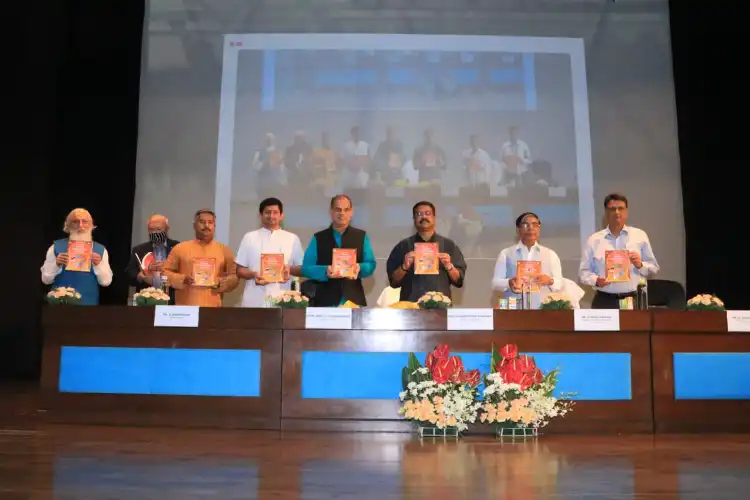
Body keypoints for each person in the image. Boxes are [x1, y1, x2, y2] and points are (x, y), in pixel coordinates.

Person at [579, 193, 660, 309]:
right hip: (604, 300)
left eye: (621, 208)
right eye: (612, 209)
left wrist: (640, 264)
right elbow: (583, 273)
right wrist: (596, 280)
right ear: (606, 213)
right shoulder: (593, 240)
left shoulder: (640, 236)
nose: (617, 212)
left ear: (626, 212)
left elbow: (654, 268)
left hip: (633, 300)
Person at [301, 194, 376, 306]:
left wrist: (359, 267)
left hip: (353, 301)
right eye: (338, 209)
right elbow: (306, 268)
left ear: (351, 213)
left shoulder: (361, 236)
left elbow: (371, 264)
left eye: (346, 210)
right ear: (331, 212)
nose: (342, 213)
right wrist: (326, 270)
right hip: (325, 301)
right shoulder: (318, 238)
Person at [386, 201, 467, 302]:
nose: (424, 217)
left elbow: (459, 281)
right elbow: (393, 282)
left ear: (434, 217)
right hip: (410, 306)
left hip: (440, 306)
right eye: (419, 214)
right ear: (414, 219)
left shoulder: (448, 245)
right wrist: (404, 267)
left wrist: (449, 267)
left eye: (428, 213)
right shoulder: (403, 246)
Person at [235, 198, 304, 307]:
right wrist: (254, 274)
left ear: (281, 215)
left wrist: (289, 269)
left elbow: (301, 269)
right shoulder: (249, 237)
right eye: (267, 212)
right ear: (260, 215)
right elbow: (239, 269)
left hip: (283, 298)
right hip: (254, 298)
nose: (271, 216)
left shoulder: (292, 238)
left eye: (275, 212)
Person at [162, 209, 239, 307]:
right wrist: (182, 279)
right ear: (194, 225)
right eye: (202, 222)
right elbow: (164, 273)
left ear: (214, 226)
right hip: (185, 309)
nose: (206, 226)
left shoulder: (224, 250)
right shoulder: (180, 248)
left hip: (213, 308)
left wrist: (221, 282)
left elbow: (234, 277)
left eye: (210, 222)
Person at [40, 208, 113, 305]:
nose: (80, 225)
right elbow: (45, 280)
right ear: (68, 225)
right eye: (75, 221)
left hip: (88, 304)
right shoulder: (55, 247)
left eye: (85, 222)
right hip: (60, 305)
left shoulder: (100, 250)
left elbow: (106, 282)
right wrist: (56, 264)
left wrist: (98, 265)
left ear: (91, 225)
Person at [491, 212, 564, 308]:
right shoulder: (506, 253)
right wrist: (509, 282)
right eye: (526, 224)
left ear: (539, 228)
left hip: (543, 310)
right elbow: (495, 283)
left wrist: (550, 281)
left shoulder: (551, 254)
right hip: (514, 310)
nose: (531, 228)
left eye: (535, 224)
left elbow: (560, 283)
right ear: (518, 229)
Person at [125, 214, 180, 304]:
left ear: (167, 229)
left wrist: (167, 269)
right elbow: (129, 273)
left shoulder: (177, 247)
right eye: (151, 229)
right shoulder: (139, 249)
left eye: (158, 229)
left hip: (172, 299)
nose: (155, 233)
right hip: (146, 300)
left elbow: (184, 271)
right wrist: (140, 275)